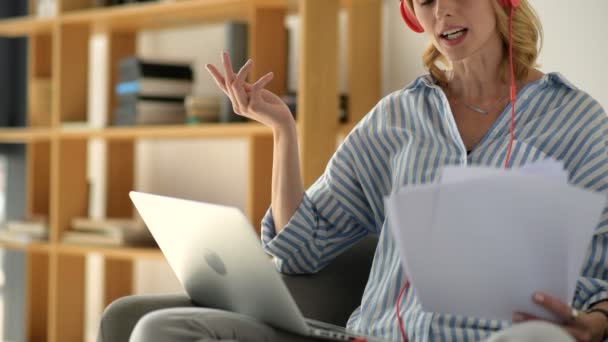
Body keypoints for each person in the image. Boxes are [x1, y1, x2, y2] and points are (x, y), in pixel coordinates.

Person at [129, 0, 608, 341]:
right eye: (425, 0)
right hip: (374, 334)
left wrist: (598, 321)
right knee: (160, 328)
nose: (441, 11)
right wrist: (282, 132)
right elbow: (301, 245)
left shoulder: (581, 123)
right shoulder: (395, 117)